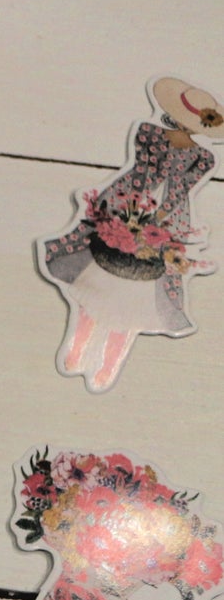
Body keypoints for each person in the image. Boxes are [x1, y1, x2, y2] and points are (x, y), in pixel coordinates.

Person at [39, 76, 224, 391]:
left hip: (166, 223)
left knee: (134, 303)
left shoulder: (203, 158)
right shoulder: (149, 133)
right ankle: (77, 351)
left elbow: (180, 190)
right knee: (95, 286)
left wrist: (161, 217)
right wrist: (135, 212)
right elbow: (144, 171)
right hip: (125, 204)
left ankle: (107, 366)